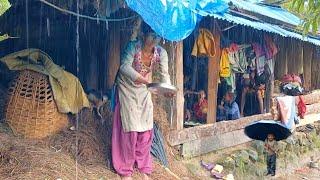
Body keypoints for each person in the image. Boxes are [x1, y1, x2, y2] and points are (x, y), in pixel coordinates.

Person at [112, 22, 171, 180]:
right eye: (152, 35)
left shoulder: (161, 53)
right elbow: (124, 66)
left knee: (146, 127)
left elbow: (165, 75)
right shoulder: (133, 47)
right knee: (130, 128)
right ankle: (125, 170)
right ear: (144, 35)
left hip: (144, 90)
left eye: (158, 36)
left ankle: (143, 167)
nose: (155, 39)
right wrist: (142, 80)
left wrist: (167, 90)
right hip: (126, 88)